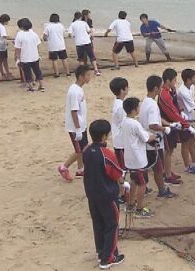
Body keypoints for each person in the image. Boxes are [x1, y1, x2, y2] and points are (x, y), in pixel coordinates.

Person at [82, 119, 126, 270]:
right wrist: (123, 183)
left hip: (92, 194)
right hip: (107, 196)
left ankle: (101, 251)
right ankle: (108, 257)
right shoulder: (107, 154)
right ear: (104, 136)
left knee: (98, 223)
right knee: (112, 225)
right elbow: (117, 174)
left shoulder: (86, 150)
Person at [117, 97, 157, 218]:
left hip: (129, 158)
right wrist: (154, 137)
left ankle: (130, 205)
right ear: (134, 110)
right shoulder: (135, 123)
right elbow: (145, 138)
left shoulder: (124, 121)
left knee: (133, 181)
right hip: (138, 159)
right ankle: (139, 208)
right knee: (142, 183)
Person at [140, 75, 174, 198]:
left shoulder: (146, 101)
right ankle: (161, 190)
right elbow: (153, 124)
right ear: (155, 88)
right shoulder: (153, 105)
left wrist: (169, 124)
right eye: (160, 87)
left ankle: (144, 187)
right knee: (158, 168)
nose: (162, 89)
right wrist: (165, 129)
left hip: (147, 140)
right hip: (153, 141)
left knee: (148, 166)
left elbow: (157, 120)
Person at [58, 65, 92, 182]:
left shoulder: (79, 89)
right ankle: (64, 167)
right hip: (75, 127)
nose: (89, 77)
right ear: (81, 76)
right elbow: (74, 111)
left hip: (81, 125)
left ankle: (80, 169)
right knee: (80, 151)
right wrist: (77, 129)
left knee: (83, 148)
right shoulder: (74, 91)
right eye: (87, 75)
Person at [158, 68, 189, 181]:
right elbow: (172, 113)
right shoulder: (165, 94)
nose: (175, 82)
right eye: (174, 80)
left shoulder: (169, 91)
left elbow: (175, 108)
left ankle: (168, 171)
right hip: (168, 125)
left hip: (172, 124)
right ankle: (167, 175)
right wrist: (184, 123)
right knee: (168, 151)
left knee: (170, 150)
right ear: (168, 80)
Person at [177, 68, 195, 173]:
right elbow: (193, 106)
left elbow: (193, 100)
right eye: (194, 77)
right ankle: (187, 166)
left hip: (190, 119)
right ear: (188, 80)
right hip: (184, 121)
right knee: (185, 143)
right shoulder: (182, 91)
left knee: (192, 141)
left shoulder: (191, 87)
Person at [14, 18, 44, 92]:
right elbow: (37, 45)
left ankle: (31, 87)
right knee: (37, 71)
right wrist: (38, 53)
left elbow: (18, 48)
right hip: (35, 56)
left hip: (25, 57)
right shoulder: (34, 34)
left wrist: (18, 58)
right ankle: (41, 85)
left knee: (28, 73)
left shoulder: (20, 35)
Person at [69, 12, 101, 76]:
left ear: (75, 17)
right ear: (81, 17)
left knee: (81, 58)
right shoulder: (84, 23)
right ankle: (96, 70)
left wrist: (73, 35)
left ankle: (82, 72)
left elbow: (70, 34)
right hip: (87, 41)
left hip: (79, 43)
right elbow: (89, 31)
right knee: (92, 56)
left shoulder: (72, 24)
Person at [108, 77, 129, 169]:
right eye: (127, 87)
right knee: (122, 167)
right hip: (120, 141)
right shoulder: (120, 106)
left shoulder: (118, 103)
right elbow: (124, 123)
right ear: (122, 90)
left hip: (120, 139)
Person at [43, 13, 70, 78]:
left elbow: (45, 37)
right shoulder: (61, 26)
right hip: (61, 45)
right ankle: (67, 72)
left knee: (54, 60)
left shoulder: (48, 27)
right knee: (64, 59)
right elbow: (64, 34)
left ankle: (57, 73)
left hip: (53, 46)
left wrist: (46, 39)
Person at [0, 14, 12, 80]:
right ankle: (4, 73)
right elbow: (4, 36)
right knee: (2, 60)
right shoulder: (1, 27)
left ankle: (6, 73)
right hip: (0, 45)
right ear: (5, 21)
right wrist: (13, 38)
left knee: (2, 60)